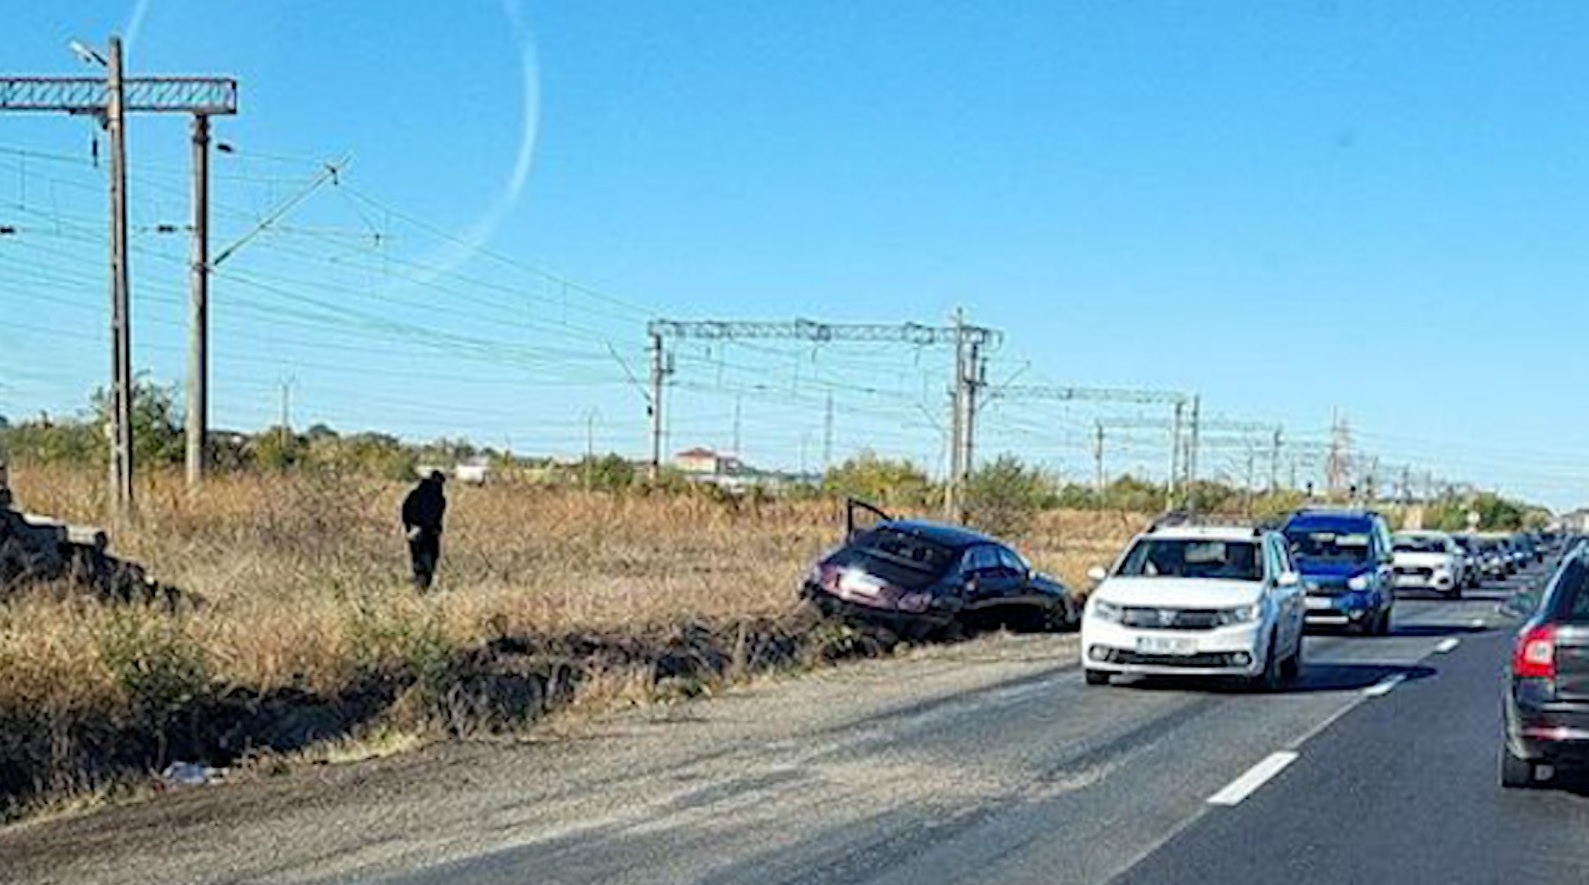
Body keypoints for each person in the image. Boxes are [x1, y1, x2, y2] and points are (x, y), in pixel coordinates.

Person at [400, 471, 448, 590]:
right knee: (427, 561)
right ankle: (422, 587)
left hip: (421, 531)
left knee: (421, 560)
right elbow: (407, 511)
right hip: (425, 532)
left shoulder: (417, 494)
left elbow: (405, 511)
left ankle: (421, 586)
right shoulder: (437, 497)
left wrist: (409, 527)